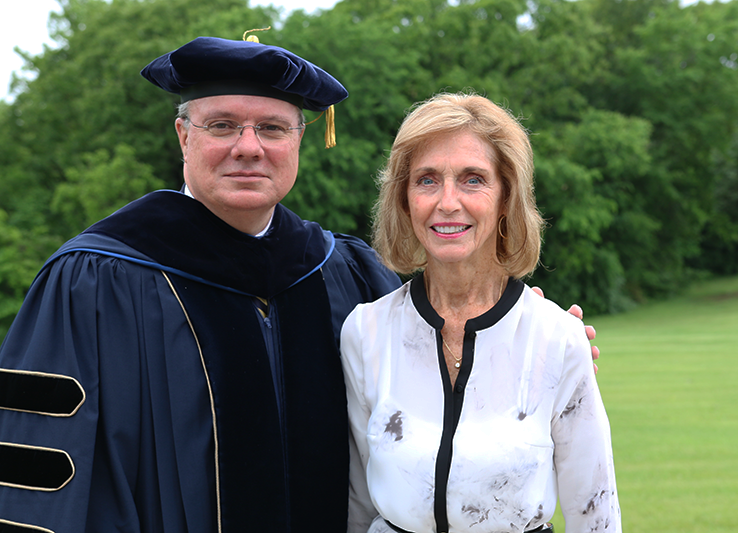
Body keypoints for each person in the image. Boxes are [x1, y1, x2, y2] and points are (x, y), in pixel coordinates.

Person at [0, 37, 597, 532]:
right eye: (223, 124)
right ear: (184, 136)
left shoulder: (344, 274)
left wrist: (528, 336)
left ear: (300, 141)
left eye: (273, 128)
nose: (248, 147)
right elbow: (38, 476)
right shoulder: (95, 282)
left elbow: (437, 369)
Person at [341, 93, 621, 533]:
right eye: (427, 180)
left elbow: (596, 514)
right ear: (403, 199)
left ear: (506, 197)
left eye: (473, 180)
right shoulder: (365, 331)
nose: (448, 202)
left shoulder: (558, 338)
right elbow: (357, 501)